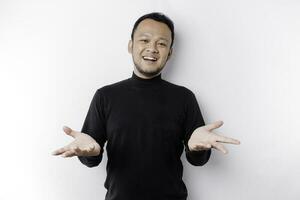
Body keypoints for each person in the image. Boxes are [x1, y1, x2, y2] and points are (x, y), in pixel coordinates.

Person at [52, 12, 240, 200]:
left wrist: (196, 149)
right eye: (145, 40)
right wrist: (91, 153)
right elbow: (90, 157)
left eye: (162, 43)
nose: (152, 48)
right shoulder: (105, 96)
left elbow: (198, 160)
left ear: (170, 53)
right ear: (131, 45)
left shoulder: (184, 98)